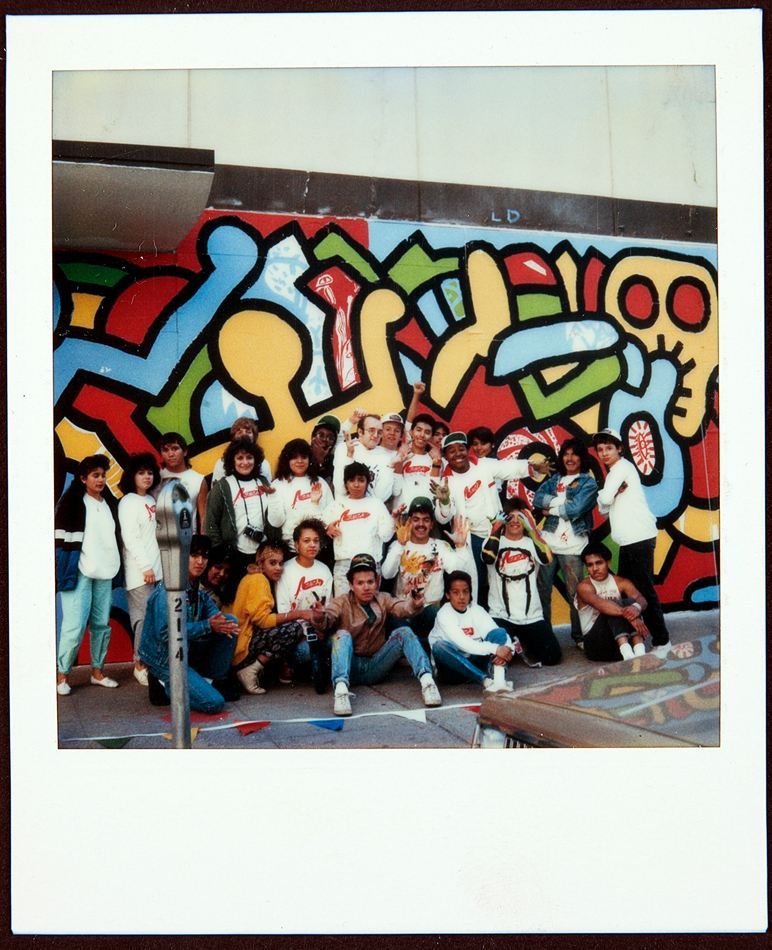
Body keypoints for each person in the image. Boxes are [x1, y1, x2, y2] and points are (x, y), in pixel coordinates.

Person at [309, 553, 442, 716]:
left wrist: (414, 604)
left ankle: (428, 683)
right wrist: (318, 615)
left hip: (376, 665)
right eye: (360, 583)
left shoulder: (383, 598)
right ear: (351, 585)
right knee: (341, 634)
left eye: (370, 582)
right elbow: (327, 619)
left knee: (405, 632)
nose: (366, 587)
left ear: (376, 582)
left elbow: (401, 609)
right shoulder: (341, 602)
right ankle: (341, 692)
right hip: (350, 667)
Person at [431, 431, 552, 610]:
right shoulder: (446, 481)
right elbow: (443, 518)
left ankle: (506, 618)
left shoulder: (483, 464)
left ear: (467, 450)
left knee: (503, 577)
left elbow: (508, 467)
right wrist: (445, 501)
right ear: (446, 456)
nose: (457, 453)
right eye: (451, 451)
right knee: (476, 583)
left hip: (496, 531)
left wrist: (532, 468)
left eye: (461, 448)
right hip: (472, 540)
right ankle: (478, 623)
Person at [139, 534, 241, 712]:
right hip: (165, 659)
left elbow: (215, 616)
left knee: (230, 621)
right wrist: (207, 625)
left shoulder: (196, 587)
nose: (200, 561)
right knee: (214, 704)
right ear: (181, 555)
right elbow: (164, 633)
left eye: (205, 556)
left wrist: (216, 623)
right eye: (194, 555)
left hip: (185, 651)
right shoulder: (168, 591)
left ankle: (212, 681)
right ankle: (162, 685)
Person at [593, 428, 671, 652]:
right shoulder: (615, 473)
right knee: (628, 590)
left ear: (620, 449)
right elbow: (604, 510)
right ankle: (633, 637)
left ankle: (662, 640)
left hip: (638, 538)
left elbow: (604, 500)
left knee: (643, 590)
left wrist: (608, 495)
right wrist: (609, 496)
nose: (605, 453)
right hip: (630, 540)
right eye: (600, 449)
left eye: (609, 448)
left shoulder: (621, 468)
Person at [55, 454, 122, 696]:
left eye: (103, 475)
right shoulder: (73, 502)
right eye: (95, 475)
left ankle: (97, 673)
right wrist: (62, 572)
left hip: (104, 571)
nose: (101, 479)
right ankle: (62, 676)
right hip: (79, 572)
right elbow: (60, 542)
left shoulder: (109, 503)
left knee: (101, 625)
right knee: (73, 626)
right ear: (83, 478)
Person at [381, 497, 473, 651]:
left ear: (432, 524)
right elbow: (386, 574)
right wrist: (400, 544)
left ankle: (418, 645)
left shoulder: (441, 546)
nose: (421, 524)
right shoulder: (398, 545)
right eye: (416, 519)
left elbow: (460, 572)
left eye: (426, 520)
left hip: (432, 609)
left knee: (449, 625)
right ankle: (421, 645)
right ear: (409, 521)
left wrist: (460, 546)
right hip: (405, 608)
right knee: (396, 627)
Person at [533, 438, 599, 647]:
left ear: (581, 458)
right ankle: (544, 637)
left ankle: (579, 637)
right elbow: (537, 498)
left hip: (574, 546)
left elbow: (578, 509)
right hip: (549, 544)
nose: (569, 458)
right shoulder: (555, 480)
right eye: (566, 454)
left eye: (574, 454)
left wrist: (550, 509)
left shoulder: (588, 482)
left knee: (575, 594)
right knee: (542, 592)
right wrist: (562, 504)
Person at [482, 499, 562, 667]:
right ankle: (515, 643)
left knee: (552, 656)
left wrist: (532, 529)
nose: (516, 521)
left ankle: (521, 642)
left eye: (521, 517)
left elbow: (547, 558)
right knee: (495, 659)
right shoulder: (494, 541)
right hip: (500, 614)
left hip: (530, 616)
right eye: (510, 517)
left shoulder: (532, 543)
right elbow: (488, 557)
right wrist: (497, 526)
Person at [229, 541, 312, 695]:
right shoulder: (258, 579)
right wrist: (300, 614)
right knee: (294, 628)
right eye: (272, 563)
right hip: (243, 648)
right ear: (260, 563)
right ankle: (249, 670)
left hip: (241, 645)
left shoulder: (257, 577)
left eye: (280, 563)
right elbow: (262, 620)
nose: (278, 568)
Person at [118, 452, 163, 686]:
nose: (146, 476)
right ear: (131, 476)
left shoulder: (152, 500)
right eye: (141, 472)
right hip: (140, 573)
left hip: (157, 572)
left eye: (149, 472)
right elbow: (131, 537)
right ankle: (139, 665)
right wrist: (145, 566)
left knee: (155, 619)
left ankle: (150, 663)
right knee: (142, 620)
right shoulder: (128, 501)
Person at [203, 437, 274, 584]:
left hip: (263, 553)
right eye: (239, 458)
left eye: (249, 457)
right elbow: (210, 525)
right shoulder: (222, 487)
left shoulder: (263, 482)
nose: (245, 462)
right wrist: (226, 555)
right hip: (236, 555)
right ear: (232, 461)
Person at [428, 571, 514, 692]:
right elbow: (465, 644)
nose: (462, 597)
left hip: (474, 663)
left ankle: (500, 682)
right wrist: (496, 649)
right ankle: (486, 681)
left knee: (499, 632)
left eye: (466, 592)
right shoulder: (444, 614)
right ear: (447, 595)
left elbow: (500, 634)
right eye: (456, 592)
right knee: (439, 646)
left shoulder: (476, 609)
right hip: (451, 671)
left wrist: (508, 650)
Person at [322, 461, 394, 596]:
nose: (356, 484)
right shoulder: (337, 505)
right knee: (344, 608)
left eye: (361, 480)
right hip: (344, 565)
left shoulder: (376, 504)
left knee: (370, 607)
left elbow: (386, 536)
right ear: (346, 483)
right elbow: (320, 523)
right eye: (351, 480)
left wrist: (393, 518)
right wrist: (327, 528)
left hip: (371, 564)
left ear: (367, 483)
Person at [275, 518, 333, 683]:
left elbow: (329, 607)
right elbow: (283, 612)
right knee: (307, 650)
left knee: (338, 640)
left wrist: (322, 626)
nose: (312, 545)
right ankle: (290, 664)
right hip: (296, 635)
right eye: (306, 541)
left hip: (319, 632)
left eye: (316, 540)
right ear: (296, 544)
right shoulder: (285, 570)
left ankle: (316, 666)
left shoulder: (324, 571)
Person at [575, 542, 650, 661]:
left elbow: (642, 600)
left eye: (599, 563)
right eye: (590, 565)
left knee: (631, 602)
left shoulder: (621, 582)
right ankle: (628, 652)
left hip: (617, 642)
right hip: (596, 645)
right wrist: (632, 616)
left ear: (608, 563)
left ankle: (638, 650)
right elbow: (601, 604)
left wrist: (636, 608)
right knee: (611, 606)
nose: (595, 568)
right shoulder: (584, 586)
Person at [268, 438, 332, 552]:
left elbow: (330, 513)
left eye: (304, 457)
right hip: (290, 548)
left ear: (310, 459)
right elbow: (276, 522)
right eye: (294, 457)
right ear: (286, 460)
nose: (300, 461)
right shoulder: (278, 484)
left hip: (316, 549)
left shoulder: (320, 482)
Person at [332, 413, 395, 503]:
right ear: (360, 432)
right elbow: (341, 489)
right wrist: (349, 456)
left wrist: (390, 467)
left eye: (379, 432)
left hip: (369, 512)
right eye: (371, 430)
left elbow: (381, 497)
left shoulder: (386, 458)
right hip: (344, 510)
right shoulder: (344, 448)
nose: (376, 435)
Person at [390, 413, 444, 511]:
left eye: (427, 432)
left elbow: (434, 493)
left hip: (425, 516)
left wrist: (437, 463)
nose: (422, 435)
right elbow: (395, 491)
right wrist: (400, 459)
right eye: (418, 430)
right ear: (411, 432)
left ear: (431, 437)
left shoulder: (435, 459)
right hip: (402, 515)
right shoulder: (400, 456)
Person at [157, 431, 208, 532]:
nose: (170, 454)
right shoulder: (155, 478)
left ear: (185, 452)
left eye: (175, 449)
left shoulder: (198, 480)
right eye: (165, 450)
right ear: (161, 455)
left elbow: (204, 519)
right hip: (159, 543)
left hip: (188, 541)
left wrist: (203, 545)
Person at [211, 416, 272, 484]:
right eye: (239, 432)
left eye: (248, 432)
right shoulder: (221, 464)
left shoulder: (264, 464)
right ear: (233, 438)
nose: (244, 435)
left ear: (254, 437)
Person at [310, 414, 341, 490]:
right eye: (321, 435)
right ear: (312, 437)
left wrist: (321, 461)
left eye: (330, 437)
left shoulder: (335, 461)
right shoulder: (303, 456)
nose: (325, 439)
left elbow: (327, 489)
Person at [200, 544, 232, 610]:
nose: (222, 574)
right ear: (208, 565)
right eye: (218, 567)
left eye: (227, 571)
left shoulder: (225, 589)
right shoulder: (190, 584)